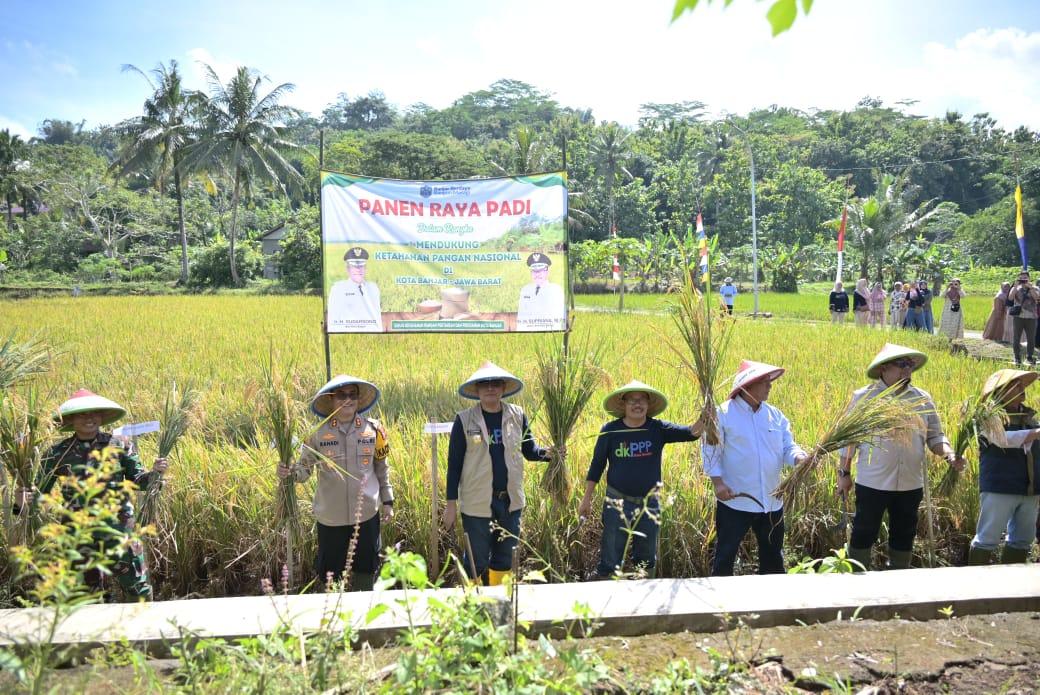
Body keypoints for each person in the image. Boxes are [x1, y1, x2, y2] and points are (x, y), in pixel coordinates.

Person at [20, 389, 168, 601]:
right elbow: (40, 492)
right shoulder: (57, 452)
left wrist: (155, 473)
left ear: (102, 416)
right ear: (71, 419)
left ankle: (144, 623)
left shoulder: (120, 444)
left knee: (137, 587)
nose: (89, 418)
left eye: (94, 413)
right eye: (82, 414)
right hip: (78, 532)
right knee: (84, 594)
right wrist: (21, 501)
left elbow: (138, 480)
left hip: (118, 528)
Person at [837, 344, 964, 571]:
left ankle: (898, 578)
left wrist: (950, 455)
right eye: (902, 364)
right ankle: (856, 578)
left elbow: (935, 436)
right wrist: (843, 473)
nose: (907, 370)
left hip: (910, 482)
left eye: (910, 365)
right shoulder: (864, 397)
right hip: (873, 481)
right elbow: (849, 440)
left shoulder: (922, 399)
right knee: (864, 531)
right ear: (883, 368)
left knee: (905, 533)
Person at [442, 362, 555, 585]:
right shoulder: (464, 420)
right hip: (477, 502)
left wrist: (550, 454)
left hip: (510, 501)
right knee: (476, 559)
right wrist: (450, 505)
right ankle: (472, 603)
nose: (490, 388)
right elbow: (454, 465)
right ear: (476, 390)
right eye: (484, 384)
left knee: (505, 558)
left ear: (503, 388)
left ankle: (500, 601)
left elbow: (529, 450)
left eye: (495, 383)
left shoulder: (517, 415)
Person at [577, 381, 704, 579]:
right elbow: (597, 465)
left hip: (649, 504)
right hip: (617, 502)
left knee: (646, 559)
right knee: (611, 557)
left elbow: (692, 433)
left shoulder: (657, 428)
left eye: (642, 400)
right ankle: (608, 593)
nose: (637, 404)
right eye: (632, 400)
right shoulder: (610, 431)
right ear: (623, 404)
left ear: (648, 404)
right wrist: (586, 499)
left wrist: (706, 416)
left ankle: (644, 591)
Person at [277, 375, 392, 591]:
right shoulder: (317, 434)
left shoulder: (374, 430)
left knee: (366, 569)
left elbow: (381, 468)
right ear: (331, 400)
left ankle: (363, 609)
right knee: (331, 574)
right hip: (331, 518)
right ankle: (334, 610)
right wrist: (289, 472)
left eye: (352, 395)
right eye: (341, 395)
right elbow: (304, 470)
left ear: (358, 399)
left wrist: (388, 501)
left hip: (366, 514)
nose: (347, 400)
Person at [701, 361, 808, 576]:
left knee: (773, 559)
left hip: (772, 500)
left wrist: (799, 457)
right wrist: (718, 483)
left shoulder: (775, 415)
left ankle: (771, 597)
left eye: (769, 381)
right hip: (735, 500)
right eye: (764, 382)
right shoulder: (723, 413)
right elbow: (711, 450)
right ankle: (722, 597)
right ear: (747, 385)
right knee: (725, 557)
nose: (770, 386)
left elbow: (788, 446)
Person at [967, 369, 1040, 565]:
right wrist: (1035, 433)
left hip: (1030, 489)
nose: (1022, 388)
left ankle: (1012, 582)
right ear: (1000, 391)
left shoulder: (1029, 418)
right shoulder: (986, 416)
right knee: (987, 538)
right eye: (1015, 385)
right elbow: (1002, 439)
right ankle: (975, 582)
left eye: (1021, 384)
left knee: (1023, 539)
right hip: (1000, 486)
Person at [327, 247, 383, 333]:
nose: (358, 269)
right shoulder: (338, 289)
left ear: (365, 268)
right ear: (348, 269)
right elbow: (333, 321)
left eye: (361, 266)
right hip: (347, 335)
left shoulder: (373, 288)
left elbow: (377, 318)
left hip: (371, 335)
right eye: (354, 266)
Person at [516, 252, 567, 331]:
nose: (537, 274)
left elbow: (559, 318)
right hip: (527, 332)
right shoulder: (525, 290)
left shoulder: (556, 290)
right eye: (534, 271)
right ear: (531, 272)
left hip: (549, 332)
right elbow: (521, 317)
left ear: (547, 272)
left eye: (540, 271)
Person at [1007, 270, 1040, 366]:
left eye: (1025, 278)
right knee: (1016, 338)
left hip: (1031, 317)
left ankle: (1029, 357)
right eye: (1021, 278)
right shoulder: (1016, 288)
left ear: (1029, 278)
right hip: (1019, 317)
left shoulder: (1035, 288)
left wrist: (1030, 288)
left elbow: (1037, 298)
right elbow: (1010, 298)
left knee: (1031, 339)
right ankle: (1017, 357)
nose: (1023, 280)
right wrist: (1015, 287)